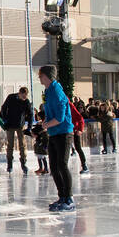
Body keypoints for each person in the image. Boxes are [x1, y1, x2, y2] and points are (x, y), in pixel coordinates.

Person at [38, 65, 75, 211]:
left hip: (63, 132)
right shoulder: (48, 91)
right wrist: (46, 122)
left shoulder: (57, 91)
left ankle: (69, 198)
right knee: (53, 166)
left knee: (62, 164)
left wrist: (46, 125)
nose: (39, 77)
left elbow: (60, 117)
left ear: (47, 76)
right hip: (54, 133)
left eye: (40, 75)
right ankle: (62, 197)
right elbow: (51, 113)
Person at [0, 87, 32, 172]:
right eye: (23, 96)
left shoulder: (26, 101)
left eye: (26, 96)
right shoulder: (11, 97)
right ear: (19, 93)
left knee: (22, 144)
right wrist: (5, 120)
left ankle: (23, 163)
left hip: (20, 125)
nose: (25, 98)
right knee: (10, 145)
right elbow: (3, 108)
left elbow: (30, 114)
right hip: (10, 125)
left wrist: (29, 127)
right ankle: (9, 164)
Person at [70, 100, 89, 174]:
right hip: (66, 131)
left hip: (74, 131)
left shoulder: (70, 107)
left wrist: (80, 129)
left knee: (78, 147)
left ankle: (84, 165)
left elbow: (80, 118)